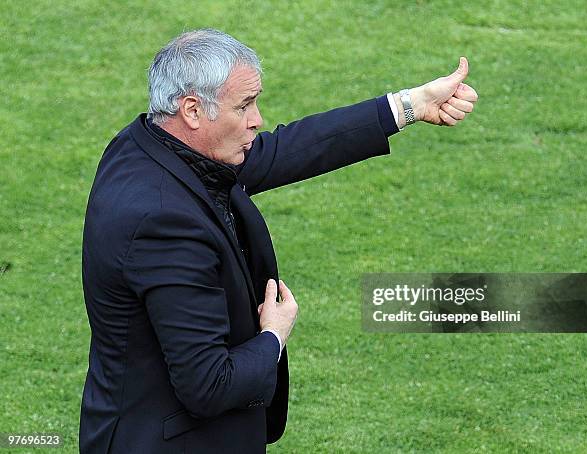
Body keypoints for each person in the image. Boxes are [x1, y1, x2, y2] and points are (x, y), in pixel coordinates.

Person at [79, 28, 477, 453]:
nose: (257, 119)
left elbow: (283, 151)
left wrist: (410, 105)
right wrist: (273, 335)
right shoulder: (163, 223)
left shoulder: (145, 145)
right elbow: (209, 385)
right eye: (245, 105)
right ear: (192, 110)